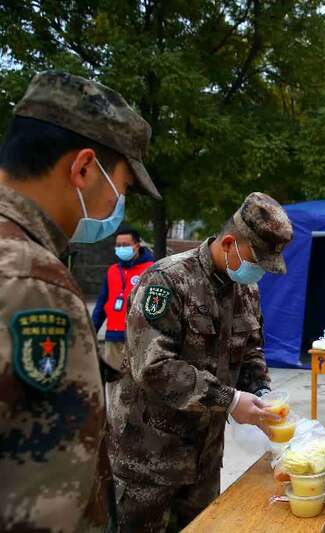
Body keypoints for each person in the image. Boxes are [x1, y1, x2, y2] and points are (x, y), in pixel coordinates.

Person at [0, 70, 161, 531]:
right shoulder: (34, 281)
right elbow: (48, 500)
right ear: (85, 169)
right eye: (123, 188)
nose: (118, 205)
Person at [108, 192, 293, 532]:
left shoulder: (246, 290)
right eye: (257, 262)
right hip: (149, 460)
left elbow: (251, 351)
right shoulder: (166, 281)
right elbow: (154, 367)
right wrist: (230, 400)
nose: (259, 273)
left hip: (204, 458)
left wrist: (260, 392)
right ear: (229, 243)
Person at [92, 224, 155, 384]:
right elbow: (101, 304)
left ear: (137, 246)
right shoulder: (112, 270)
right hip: (113, 336)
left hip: (138, 338)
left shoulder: (151, 270)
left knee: (136, 384)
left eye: (125, 245)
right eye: (118, 245)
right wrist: (92, 330)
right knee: (113, 382)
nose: (121, 248)